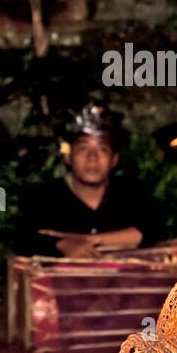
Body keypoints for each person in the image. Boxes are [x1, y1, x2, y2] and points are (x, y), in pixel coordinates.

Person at [22, 104, 164, 259]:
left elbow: (153, 230)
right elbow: (28, 239)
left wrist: (92, 241)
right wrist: (62, 244)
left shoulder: (133, 193)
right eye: (83, 148)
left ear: (114, 160)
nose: (92, 158)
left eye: (102, 149)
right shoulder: (42, 197)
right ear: (68, 156)